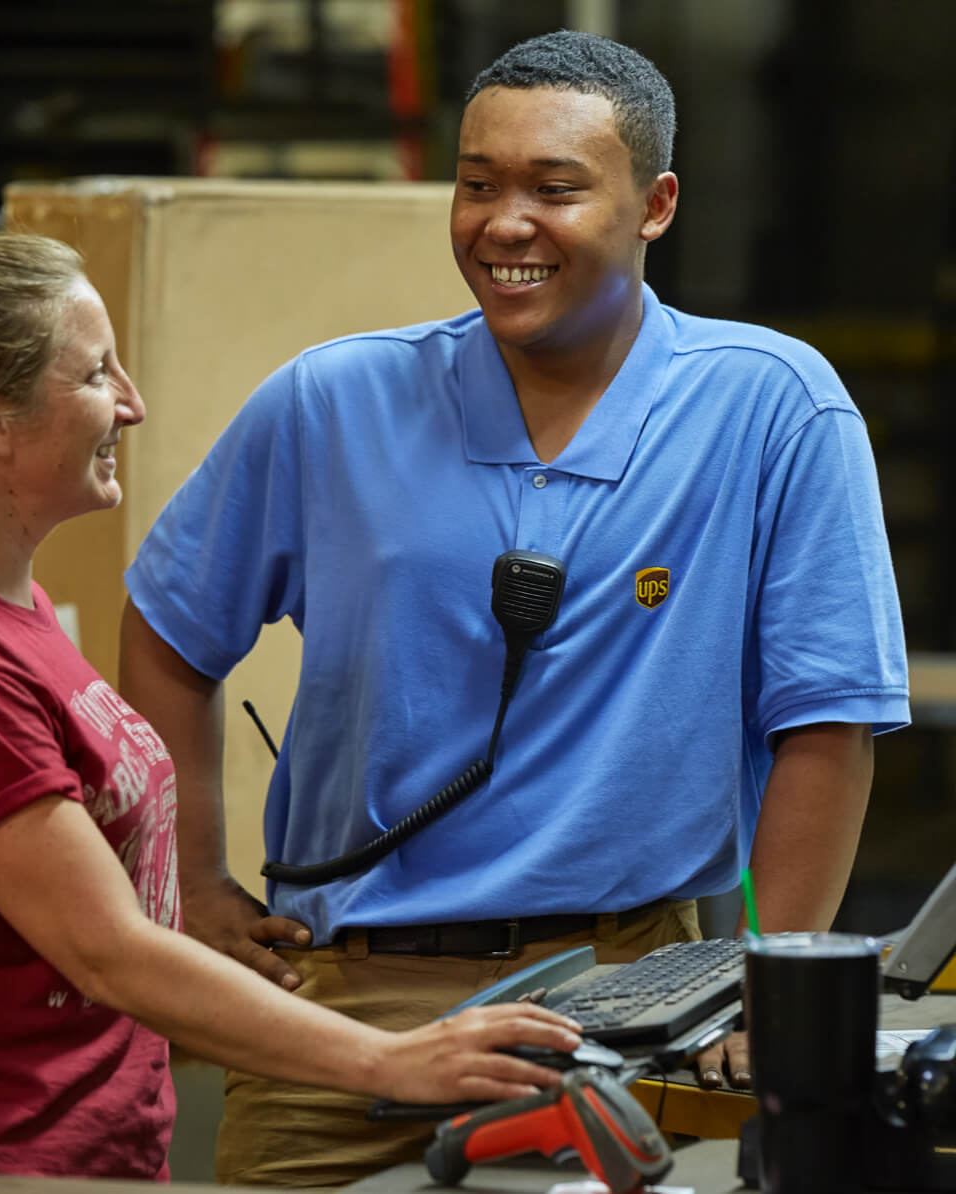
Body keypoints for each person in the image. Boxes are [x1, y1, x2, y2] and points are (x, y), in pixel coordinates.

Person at [117, 28, 911, 1188]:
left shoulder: (772, 410)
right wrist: (193, 878)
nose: (503, 224)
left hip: (620, 1000)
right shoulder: (333, 403)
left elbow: (827, 726)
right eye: (477, 183)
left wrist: (767, 985)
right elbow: (170, 627)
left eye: (555, 187)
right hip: (342, 1007)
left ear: (657, 205)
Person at [0, 230, 584, 1180]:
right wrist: (392, 1061)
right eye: (96, 375)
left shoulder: (4, 606)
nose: (131, 404)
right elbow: (107, 951)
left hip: (70, 1142)